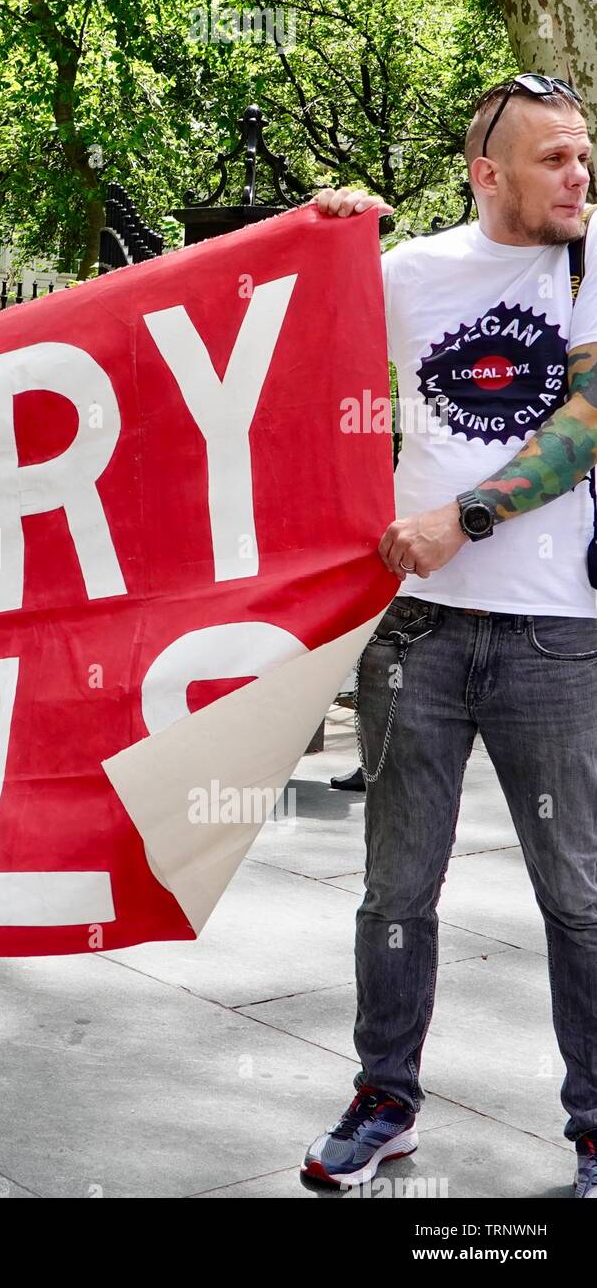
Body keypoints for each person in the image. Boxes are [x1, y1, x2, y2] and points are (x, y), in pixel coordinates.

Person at [304, 74, 597, 1200]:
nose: (580, 177)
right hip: (414, 634)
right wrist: (316, 242)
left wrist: (462, 516)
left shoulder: (590, 259)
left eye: (584, 156)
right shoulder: (409, 275)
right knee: (394, 889)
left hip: (553, 634)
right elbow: (290, 354)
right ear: (488, 172)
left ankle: (591, 1125)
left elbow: (585, 421)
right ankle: (384, 1098)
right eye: (555, 160)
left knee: (574, 893)